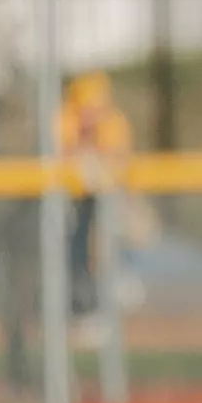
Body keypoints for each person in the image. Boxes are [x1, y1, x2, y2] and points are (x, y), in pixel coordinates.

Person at [57, 71, 133, 317]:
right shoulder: (64, 119)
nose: (91, 114)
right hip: (69, 204)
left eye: (96, 108)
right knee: (72, 250)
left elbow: (117, 162)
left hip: (104, 202)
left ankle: (106, 300)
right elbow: (63, 158)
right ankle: (79, 305)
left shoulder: (113, 121)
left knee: (107, 244)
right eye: (86, 107)